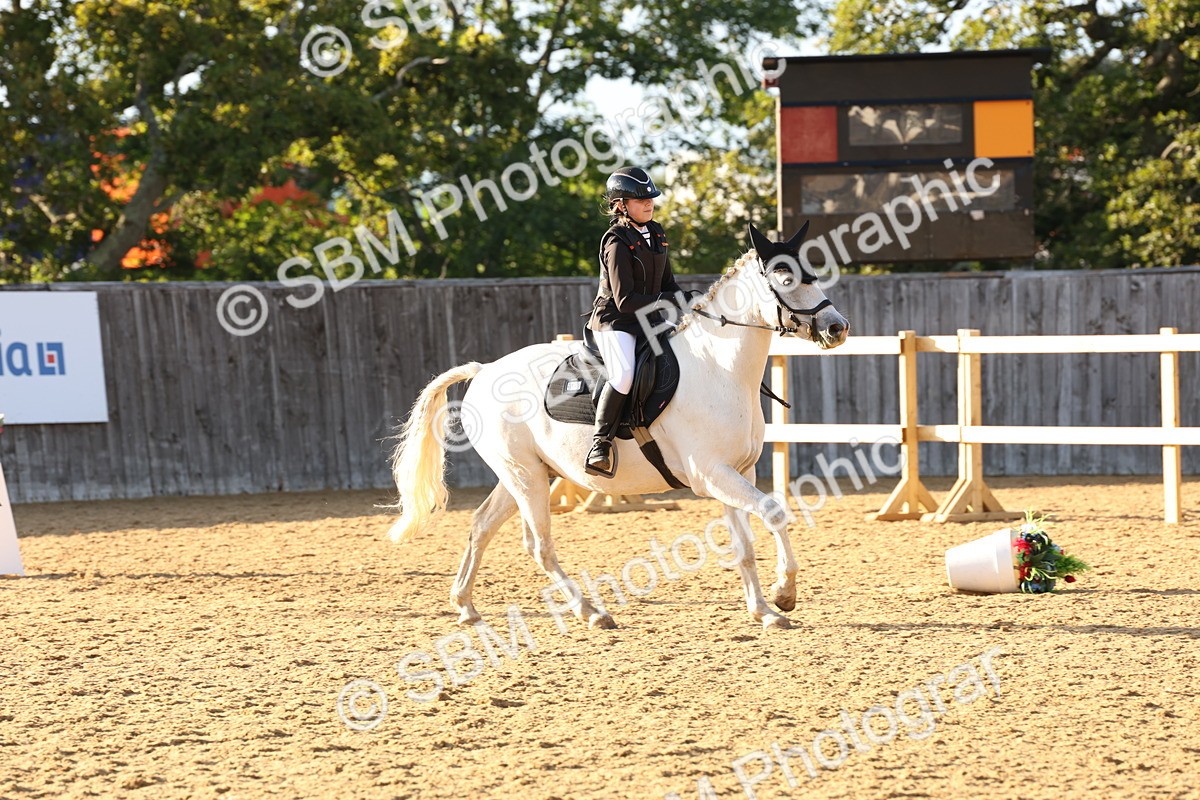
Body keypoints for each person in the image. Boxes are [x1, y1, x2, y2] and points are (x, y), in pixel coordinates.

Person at [583, 166, 693, 477]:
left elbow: (668, 283)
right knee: (623, 376)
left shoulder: (657, 233)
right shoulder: (616, 241)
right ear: (621, 205)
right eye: (639, 200)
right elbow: (625, 300)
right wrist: (665, 302)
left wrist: (688, 299)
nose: (648, 204)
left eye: (651, 200)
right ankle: (600, 444)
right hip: (616, 322)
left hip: (650, 318)